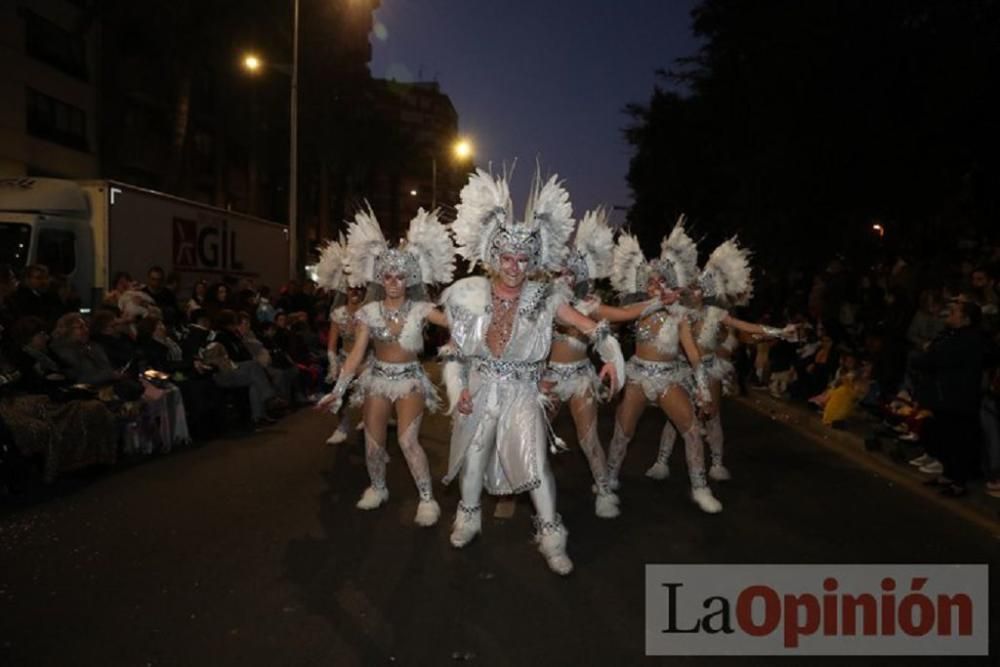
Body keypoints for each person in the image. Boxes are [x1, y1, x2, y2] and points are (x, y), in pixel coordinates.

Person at [440, 169, 625, 575]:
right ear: (493, 257)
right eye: (507, 257)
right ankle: (468, 517)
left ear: (534, 260)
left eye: (523, 259)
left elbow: (591, 327)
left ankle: (551, 536)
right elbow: (454, 349)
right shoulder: (468, 294)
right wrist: (458, 389)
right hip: (482, 383)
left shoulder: (546, 296)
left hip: (523, 389)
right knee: (473, 458)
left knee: (535, 462)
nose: (514, 266)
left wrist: (611, 354)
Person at [320, 206, 455, 527]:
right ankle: (378, 487)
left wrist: (471, 318)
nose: (394, 282)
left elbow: (453, 322)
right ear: (381, 278)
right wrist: (338, 390)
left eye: (400, 276)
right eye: (388, 276)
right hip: (377, 381)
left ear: (409, 279)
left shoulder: (421, 308)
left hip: (409, 381)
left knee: (408, 442)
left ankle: (426, 498)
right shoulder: (369, 312)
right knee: (372, 443)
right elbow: (355, 355)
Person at [544, 207, 662, 518]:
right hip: (550, 379)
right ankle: (527, 487)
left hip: (581, 378)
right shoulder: (545, 306)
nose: (566, 278)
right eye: (561, 273)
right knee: (535, 433)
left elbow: (625, 315)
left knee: (588, 438)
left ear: (581, 277)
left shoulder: (589, 306)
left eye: (572, 274)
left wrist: (658, 301)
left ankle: (604, 490)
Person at [647, 238, 796, 482]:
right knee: (675, 419)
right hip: (683, 371)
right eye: (691, 288)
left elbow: (746, 325)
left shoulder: (716, 314)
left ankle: (716, 463)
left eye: (699, 289)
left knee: (712, 416)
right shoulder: (677, 313)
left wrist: (779, 331)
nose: (695, 292)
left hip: (708, 369)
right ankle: (661, 462)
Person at [604, 222, 722, 512]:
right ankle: (608, 479)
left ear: (670, 283)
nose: (656, 285)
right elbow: (610, 320)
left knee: (692, 430)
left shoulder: (679, 315)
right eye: (651, 282)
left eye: (661, 281)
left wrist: (703, 390)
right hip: (638, 377)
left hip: (670, 378)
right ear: (644, 286)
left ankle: (700, 487)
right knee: (623, 431)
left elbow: (693, 354)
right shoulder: (637, 311)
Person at [315, 236, 366, 444]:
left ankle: (372, 421)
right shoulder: (338, 313)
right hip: (346, 359)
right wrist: (333, 362)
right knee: (340, 397)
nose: (354, 292)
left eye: (358, 289)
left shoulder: (369, 313)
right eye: (350, 289)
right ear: (345, 291)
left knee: (369, 393)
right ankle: (342, 427)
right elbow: (332, 342)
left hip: (366, 360)